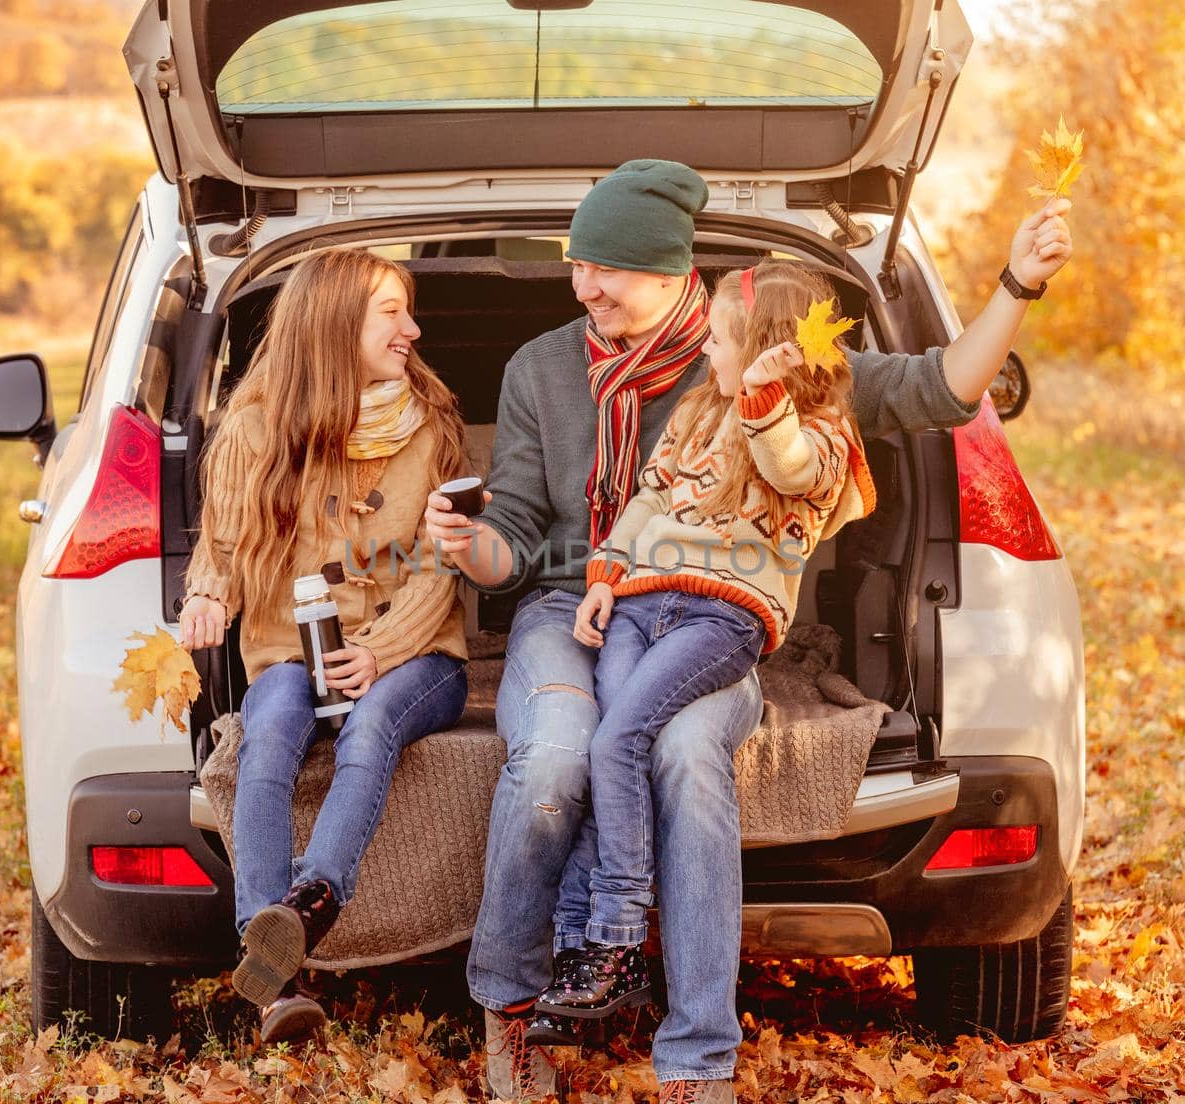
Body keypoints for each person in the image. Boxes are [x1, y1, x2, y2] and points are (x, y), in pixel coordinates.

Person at [425, 159, 1072, 1103]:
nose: (582, 285)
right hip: (575, 606)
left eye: (605, 267)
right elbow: (517, 539)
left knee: (689, 755)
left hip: (709, 615)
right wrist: (469, 546)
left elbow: (939, 386)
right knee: (557, 756)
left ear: (668, 270)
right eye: (577, 262)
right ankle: (514, 1009)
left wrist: (1016, 284)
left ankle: (697, 1060)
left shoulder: (757, 348)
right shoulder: (543, 368)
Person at [532, 262, 875, 1021]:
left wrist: (762, 395)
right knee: (603, 745)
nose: (706, 354)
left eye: (720, 340)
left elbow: (786, 466)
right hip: (639, 606)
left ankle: (613, 937)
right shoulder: (695, 409)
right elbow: (648, 498)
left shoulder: (820, 437)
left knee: (621, 739)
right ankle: (587, 945)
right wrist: (604, 574)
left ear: (763, 348)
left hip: (721, 618)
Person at [180, 247, 470, 1045]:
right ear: (338, 321)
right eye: (393, 312)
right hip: (289, 652)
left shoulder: (430, 425)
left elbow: (441, 567)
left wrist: (380, 650)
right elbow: (227, 539)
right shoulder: (256, 424)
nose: (412, 329)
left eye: (409, 313)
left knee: (372, 727)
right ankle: (276, 977)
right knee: (265, 738)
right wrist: (209, 594)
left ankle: (314, 899)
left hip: (417, 661)